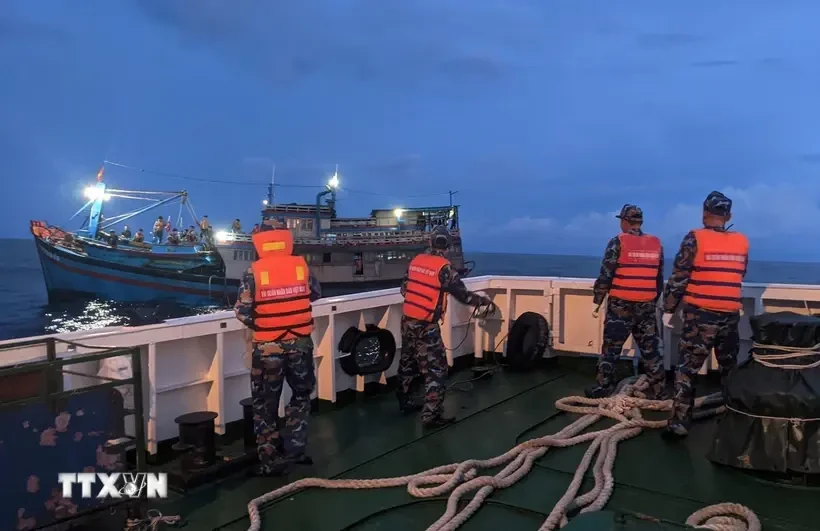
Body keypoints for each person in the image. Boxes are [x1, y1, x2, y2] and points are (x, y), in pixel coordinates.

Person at [234, 219, 322, 476]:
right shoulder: (301, 266)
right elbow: (314, 294)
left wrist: (266, 323)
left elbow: (242, 311)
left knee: (264, 404)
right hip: (300, 344)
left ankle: (270, 460)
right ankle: (296, 450)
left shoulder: (253, 271)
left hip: (268, 348)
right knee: (301, 396)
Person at [660, 191, 748, 440]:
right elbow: (740, 272)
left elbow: (679, 277)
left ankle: (679, 424)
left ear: (704, 213)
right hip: (730, 316)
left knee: (686, 370)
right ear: (728, 215)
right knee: (729, 368)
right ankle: (737, 416)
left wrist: (668, 309)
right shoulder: (742, 241)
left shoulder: (694, 238)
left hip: (701, 317)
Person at [397, 225, 496, 428]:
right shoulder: (444, 269)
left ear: (430, 242)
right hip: (426, 326)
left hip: (407, 321)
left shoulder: (416, 262)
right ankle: (431, 416)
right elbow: (464, 296)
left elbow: (404, 288)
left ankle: (405, 402)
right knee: (436, 370)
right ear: (448, 246)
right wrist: (483, 301)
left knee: (407, 364)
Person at [586, 205, 666, 400]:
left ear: (624, 221)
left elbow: (606, 274)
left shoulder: (617, 242)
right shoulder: (656, 244)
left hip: (621, 306)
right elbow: (658, 279)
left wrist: (597, 300)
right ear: (640, 222)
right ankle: (659, 390)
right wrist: (652, 300)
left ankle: (604, 386)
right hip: (646, 306)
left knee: (611, 348)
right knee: (650, 350)